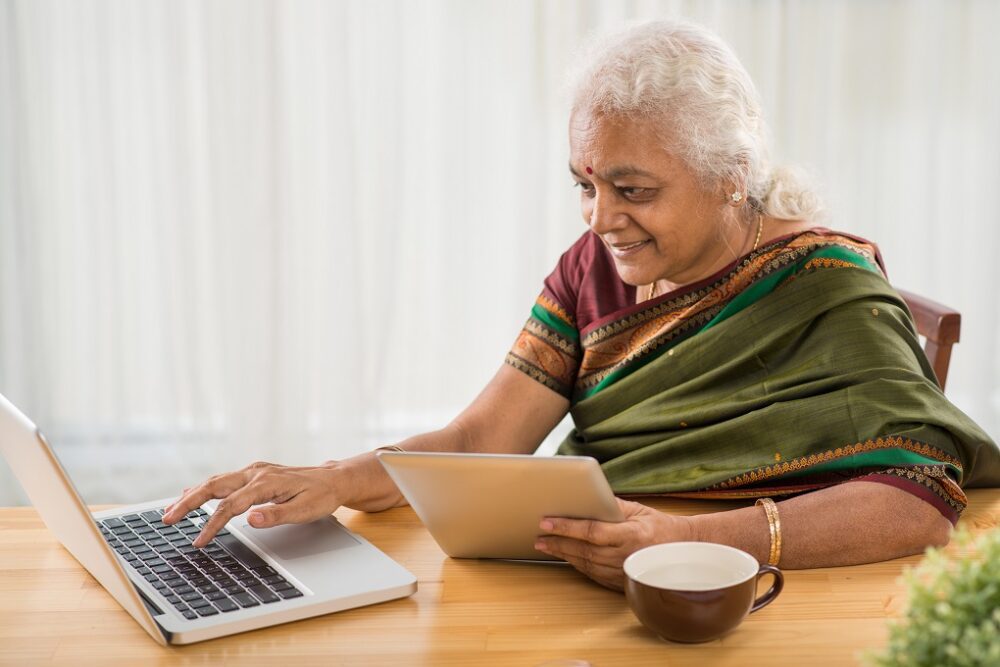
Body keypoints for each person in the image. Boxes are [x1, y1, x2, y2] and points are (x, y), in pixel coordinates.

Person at [163, 19, 1000, 591]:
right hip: (608, 581)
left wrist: (692, 541)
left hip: (764, 601)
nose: (600, 219)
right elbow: (482, 440)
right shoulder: (592, 266)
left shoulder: (827, 282)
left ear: (731, 175)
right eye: (585, 184)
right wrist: (337, 476)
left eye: (632, 188)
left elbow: (920, 497)